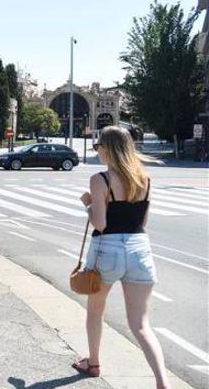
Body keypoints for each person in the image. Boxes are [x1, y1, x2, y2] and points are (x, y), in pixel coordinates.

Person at [73, 126, 170, 388]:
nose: (97, 152)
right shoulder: (145, 179)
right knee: (140, 324)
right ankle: (162, 381)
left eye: (98, 147)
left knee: (95, 311)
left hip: (108, 249)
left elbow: (100, 224)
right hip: (140, 248)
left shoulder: (100, 179)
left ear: (107, 148)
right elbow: (144, 221)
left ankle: (93, 363)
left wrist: (88, 204)